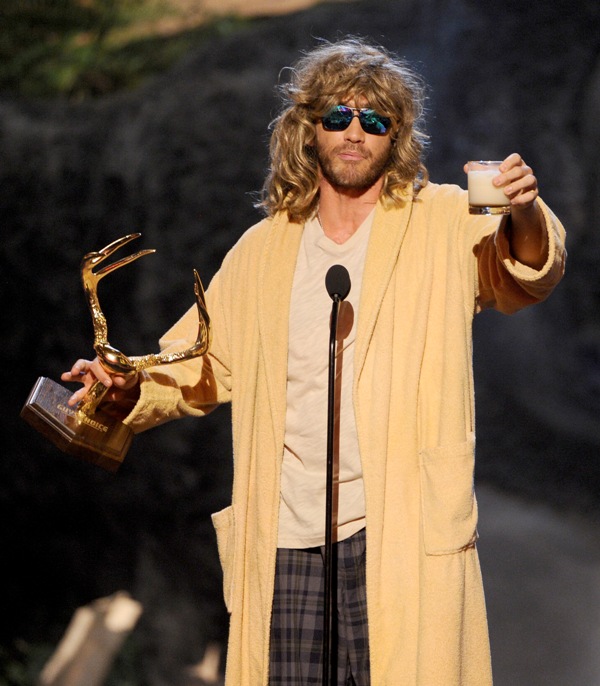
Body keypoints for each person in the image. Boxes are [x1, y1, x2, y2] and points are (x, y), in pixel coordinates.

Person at [62, 37, 566, 686]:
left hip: (403, 535)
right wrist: (123, 388)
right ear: (309, 128)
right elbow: (197, 365)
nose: (354, 132)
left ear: (396, 136)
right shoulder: (262, 251)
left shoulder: (442, 220)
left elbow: (526, 268)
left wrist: (523, 209)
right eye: (337, 116)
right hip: (287, 540)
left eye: (374, 119)